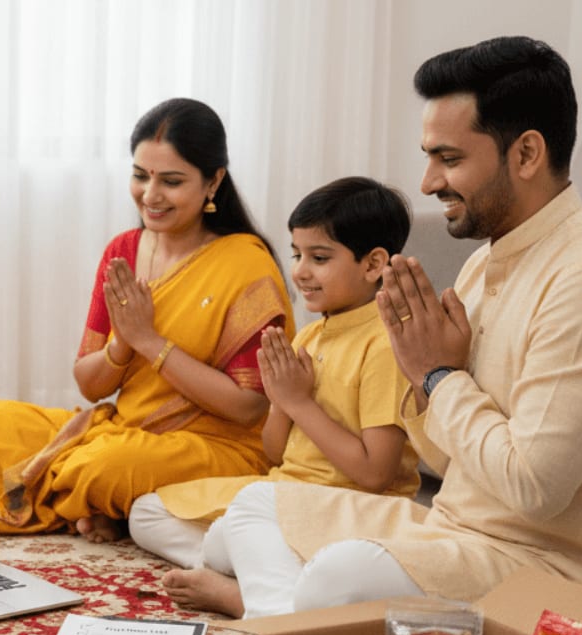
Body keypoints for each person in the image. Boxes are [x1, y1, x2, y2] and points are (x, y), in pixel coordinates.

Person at [217, 36, 582, 619]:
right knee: (256, 504)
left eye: (449, 159)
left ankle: (279, 625)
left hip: (560, 568)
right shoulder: (485, 262)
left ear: (526, 154)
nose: (427, 182)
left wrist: (439, 375)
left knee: (337, 577)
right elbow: (453, 463)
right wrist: (414, 376)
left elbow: (534, 490)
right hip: (459, 528)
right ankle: (284, 625)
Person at [0, 98, 294, 543]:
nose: (150, 195)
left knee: (103, 468)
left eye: (171, 181)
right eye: (140, 176)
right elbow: (89, 383)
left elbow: (249, 406)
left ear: (213, 181)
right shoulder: (123, 252)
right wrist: (122, 346)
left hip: (214, 447)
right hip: (122, 428)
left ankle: (92, 496)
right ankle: (96, 504)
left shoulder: (246, 267)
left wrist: (150, 342)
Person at [127, 177, 422, 608]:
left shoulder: (386, 343)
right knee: (147, 513)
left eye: (319, 257)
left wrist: (299, 402)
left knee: (252, 507)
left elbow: (375, 474)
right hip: (286, 497)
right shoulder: (307, 338)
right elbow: (275, 452)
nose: (300, 270)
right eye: (297, 254)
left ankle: (261, 606)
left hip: (353, 510)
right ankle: (267, 571)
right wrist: (283, 400)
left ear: (373, 264)